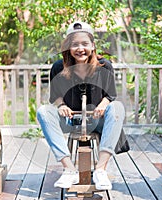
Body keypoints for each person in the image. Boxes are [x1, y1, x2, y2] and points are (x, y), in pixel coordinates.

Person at [37, 21, 125, 190]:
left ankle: (100, 170)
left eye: (85, 44)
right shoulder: (58, 67)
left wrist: (103, 104)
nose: (80, 49)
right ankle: (69, 170)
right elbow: (55, 97)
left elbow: (111, 95)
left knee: (118, 107)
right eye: (75, 44)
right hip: (71, 120)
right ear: (68, 47)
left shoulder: (104, 66)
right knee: (43, 111)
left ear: (92, 45)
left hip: (97, 120)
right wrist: (61, 105)